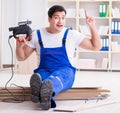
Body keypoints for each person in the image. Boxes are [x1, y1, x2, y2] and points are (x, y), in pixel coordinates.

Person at [16, 5, 101, 110]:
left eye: (63, 17)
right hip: (44, 70)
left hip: (64, 71)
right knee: (42, 77)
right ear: (49, 19)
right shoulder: (37, 34)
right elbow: (22, 57)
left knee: (56, 79)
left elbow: (96, 46)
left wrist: (92, 26)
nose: (60, 21)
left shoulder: (71, 34)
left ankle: (41, 90)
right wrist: (19, 46)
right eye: (56, 17)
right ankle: (44, 95)